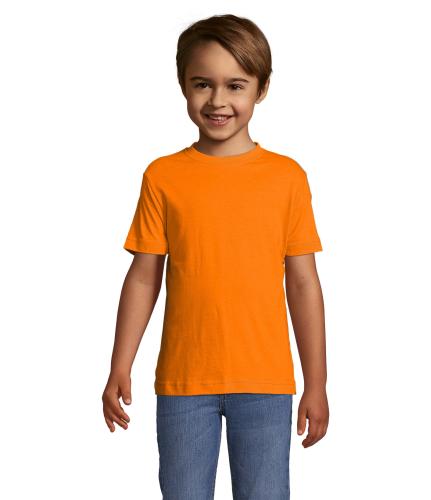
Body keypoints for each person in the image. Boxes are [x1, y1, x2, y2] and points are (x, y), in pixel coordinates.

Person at [102, 13, 329, 500]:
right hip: (184, 383)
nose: (218, 100)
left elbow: (303, 283)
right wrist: (120, 364)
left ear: (262, 89)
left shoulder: (286, 178)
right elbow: (143, 277)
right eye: (202, 84)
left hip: (265, 382)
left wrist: (317, 382)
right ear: (183, 85)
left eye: (235, 85)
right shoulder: (163, 176)